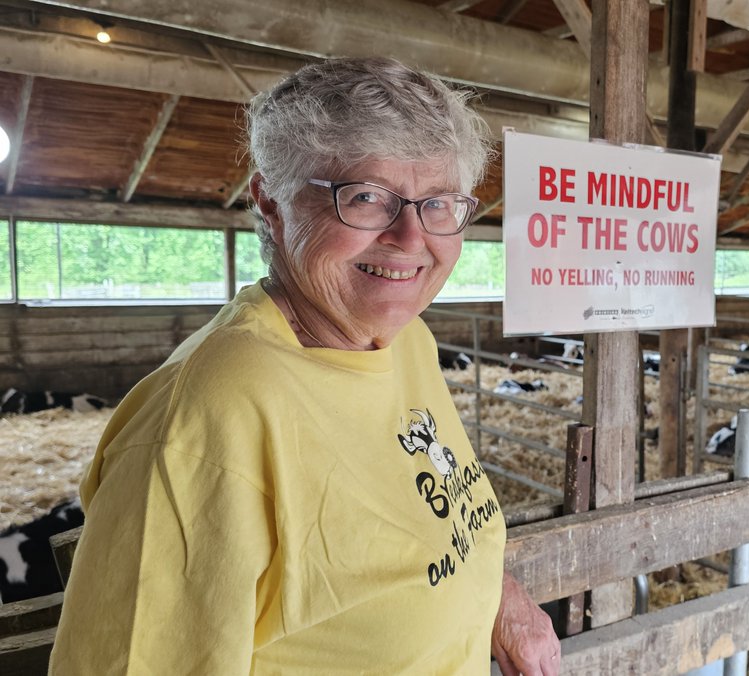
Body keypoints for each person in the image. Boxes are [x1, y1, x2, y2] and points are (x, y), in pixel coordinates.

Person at [49, 57, 559, 675]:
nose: (410, 236)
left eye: (439, 202)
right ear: (270, 200)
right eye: (367, 197)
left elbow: (427, 520)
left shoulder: (405, 341)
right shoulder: (203, 424)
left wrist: (498, 599)